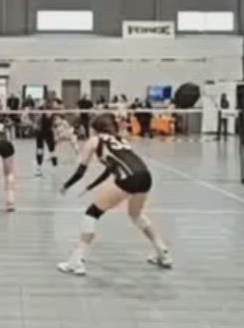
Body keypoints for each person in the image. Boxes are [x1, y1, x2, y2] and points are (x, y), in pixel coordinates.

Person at [57, 115, 171, 276]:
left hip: (128, 178)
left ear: (94, 129)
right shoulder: (119, 139)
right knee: (136, 214)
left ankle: (76, 261)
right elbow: (109, 170)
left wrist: (66, 186)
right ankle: (162, 251)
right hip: (145, 176)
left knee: (92, 213)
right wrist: (91, 186)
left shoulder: (94, 140)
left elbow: (81, 171)